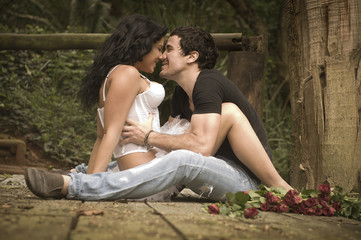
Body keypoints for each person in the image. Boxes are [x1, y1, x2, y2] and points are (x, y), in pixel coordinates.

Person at [24, 25, 291, 202]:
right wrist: (140, 144)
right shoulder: (180, 93)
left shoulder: (208, 82)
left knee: (183, 159)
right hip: (211, 173)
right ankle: (77, 174)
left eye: (170, 49)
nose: (163, 55)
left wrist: (148, 136)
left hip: (245, 182)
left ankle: (75, 187)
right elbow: (170, 145)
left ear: (191, 56)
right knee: (164, 159)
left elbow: (200, 146)